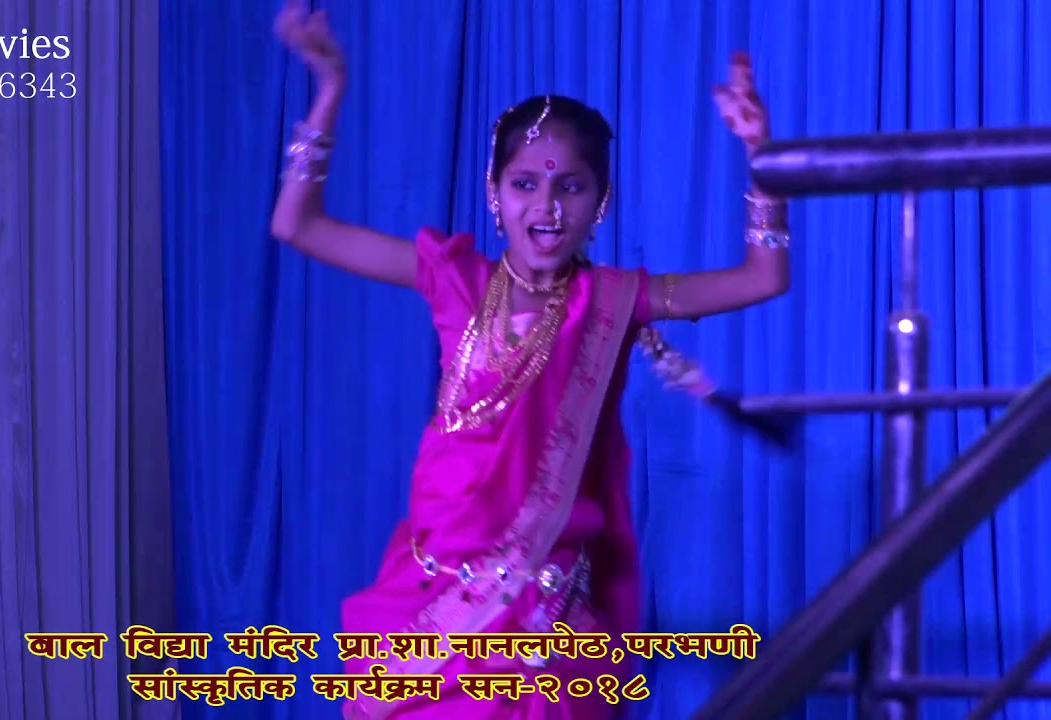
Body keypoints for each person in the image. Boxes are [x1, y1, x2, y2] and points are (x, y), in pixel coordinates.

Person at [270, 2, 790, 717]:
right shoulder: (454, 279)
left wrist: (763, 158)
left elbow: (763, 278)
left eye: (570, 185)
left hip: (544, 616)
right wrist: (329, 89)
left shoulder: (615, 301)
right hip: (435, 596)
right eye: (525, 184)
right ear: (495, 193)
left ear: (600, 201)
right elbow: (296, 223)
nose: (547, 206)